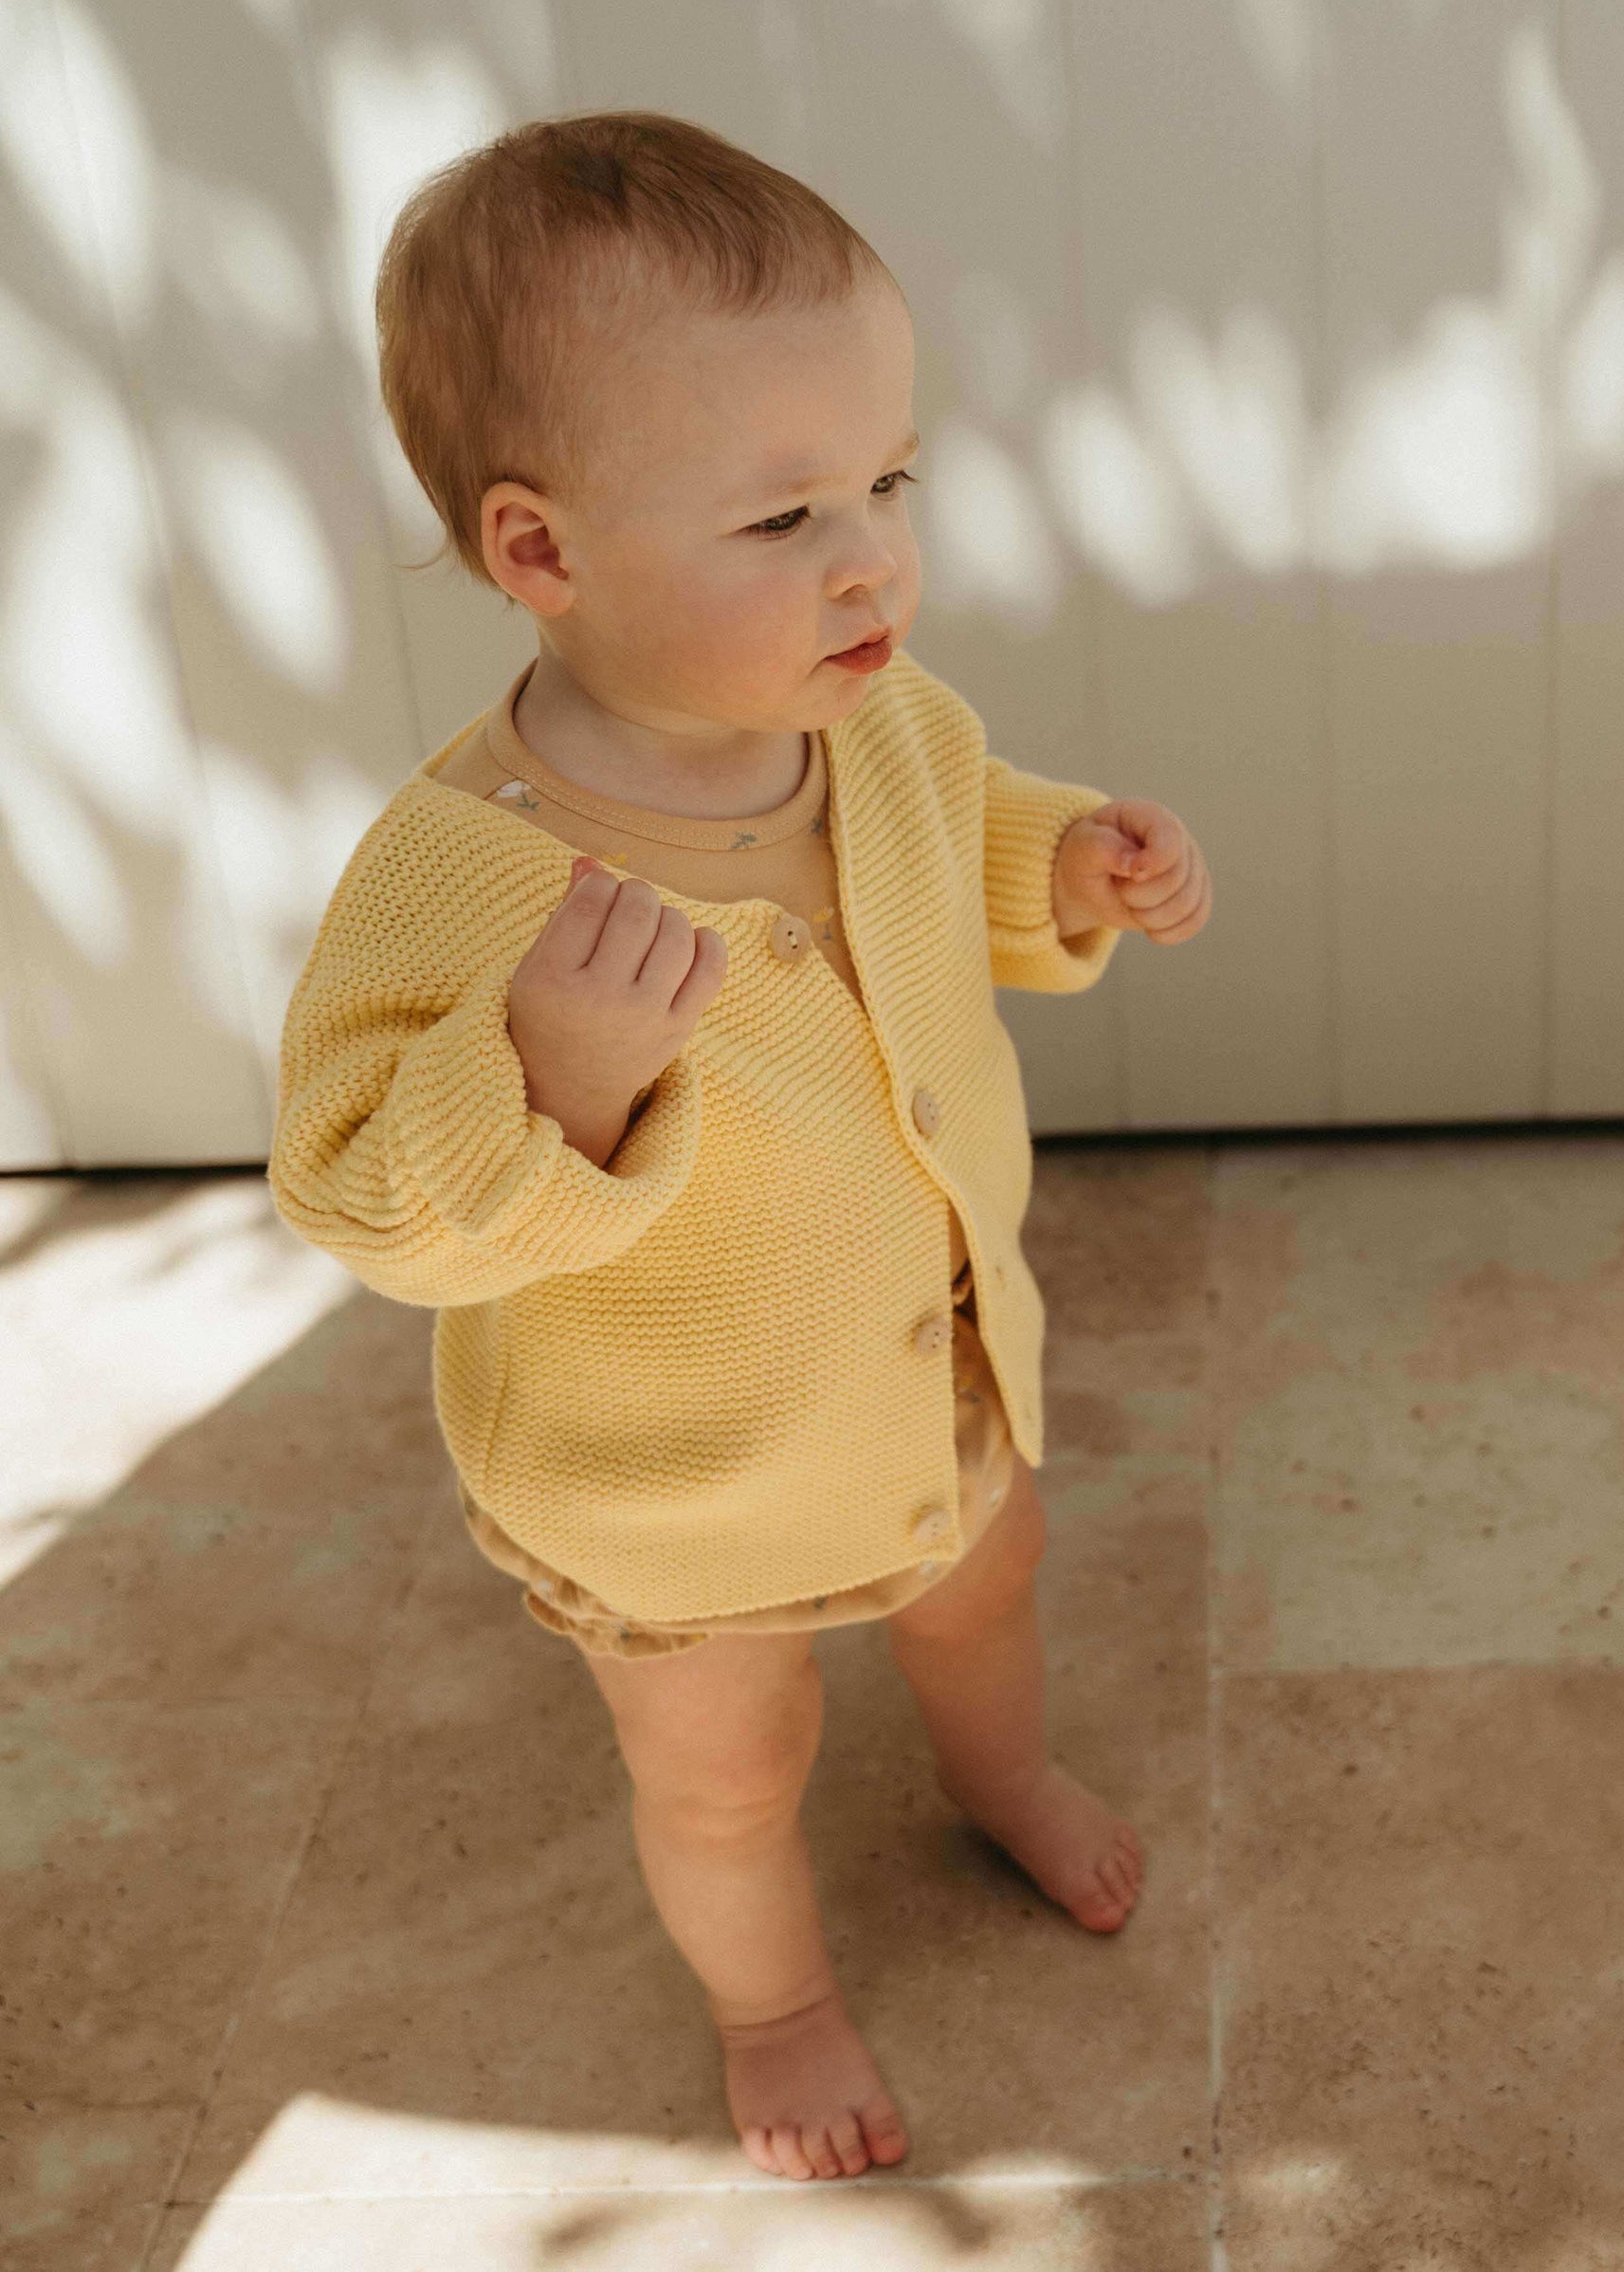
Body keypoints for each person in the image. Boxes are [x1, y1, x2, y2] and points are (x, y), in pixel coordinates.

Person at [270, 111, 1213, 2184]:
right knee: (726, 1764)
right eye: (784, 513)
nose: (871, 553)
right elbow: (349, 1182)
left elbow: (955, 843)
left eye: (886, 478)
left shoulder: (880, 717)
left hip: (925, 1356)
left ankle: (1002, 1776)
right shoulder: (460, 876)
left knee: (990, 1583)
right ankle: (772, 1999)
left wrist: (1067, 863)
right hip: (670, 1481)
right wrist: (552, 1076)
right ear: (541, 553)